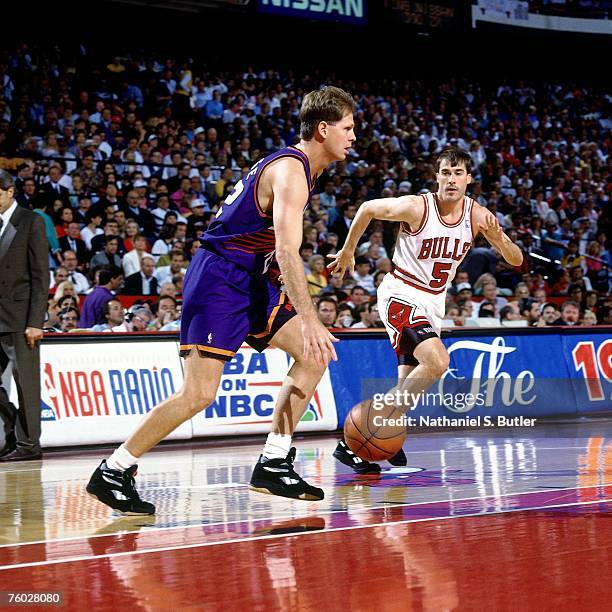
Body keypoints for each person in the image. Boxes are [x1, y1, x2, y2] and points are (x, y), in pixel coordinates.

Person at [87, 86, 357, 513]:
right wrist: (309, 317)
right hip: (219, 278)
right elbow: (288, 251)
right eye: (347, 127)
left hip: (251, 277)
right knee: (199, 394)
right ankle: (114, 470)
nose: (353, 136)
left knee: (314, 355)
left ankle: (274, 462)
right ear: (323, 129)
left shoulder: (301, 168)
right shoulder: (291, 170)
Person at [328, 147, 523, 473]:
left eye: (458, 173)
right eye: (445, 172)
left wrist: (500, 238)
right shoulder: (417, 206)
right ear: (436, 177)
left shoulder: (477, 215)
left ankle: (364, 444)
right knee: (438, 362)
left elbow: (516, 259)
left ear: (468, 179)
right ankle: (362, 433)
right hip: (400, 293)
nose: (451, 179)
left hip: (434, 301)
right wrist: (348, 250)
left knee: (409, 387)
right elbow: (367, 208)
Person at [0, 170, 50, 462]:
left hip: (21, 320)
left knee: (26, 384)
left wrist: (35, 322)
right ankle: (13, 432)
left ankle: (29, 445)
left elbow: (41, 276)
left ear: (10, 191)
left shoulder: (31, 221)